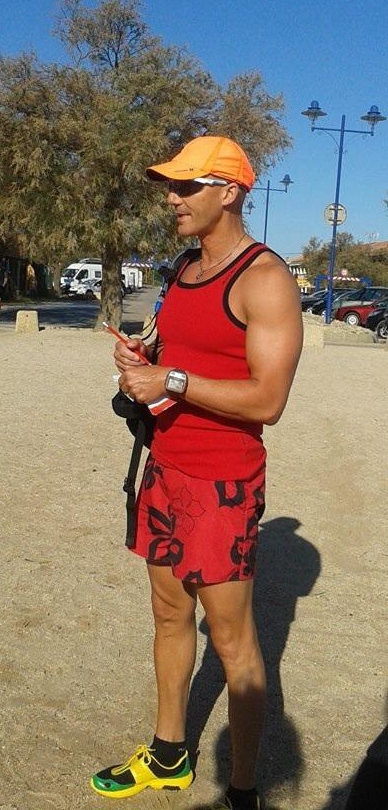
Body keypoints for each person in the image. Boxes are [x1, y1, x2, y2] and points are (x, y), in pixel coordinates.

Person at [90, 136, 303, 809]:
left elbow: (268, 401)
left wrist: (172, 379)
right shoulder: (184, 266)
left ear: (231, 192)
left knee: (234, 644)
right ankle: (168, 755)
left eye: (188, 186)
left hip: (222, 486)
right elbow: (173, 349)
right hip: (166, 468)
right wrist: (144, 357)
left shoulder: (264, 279)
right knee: (167, 614)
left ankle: (242, 791)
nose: (172, 199)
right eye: (170, 186)